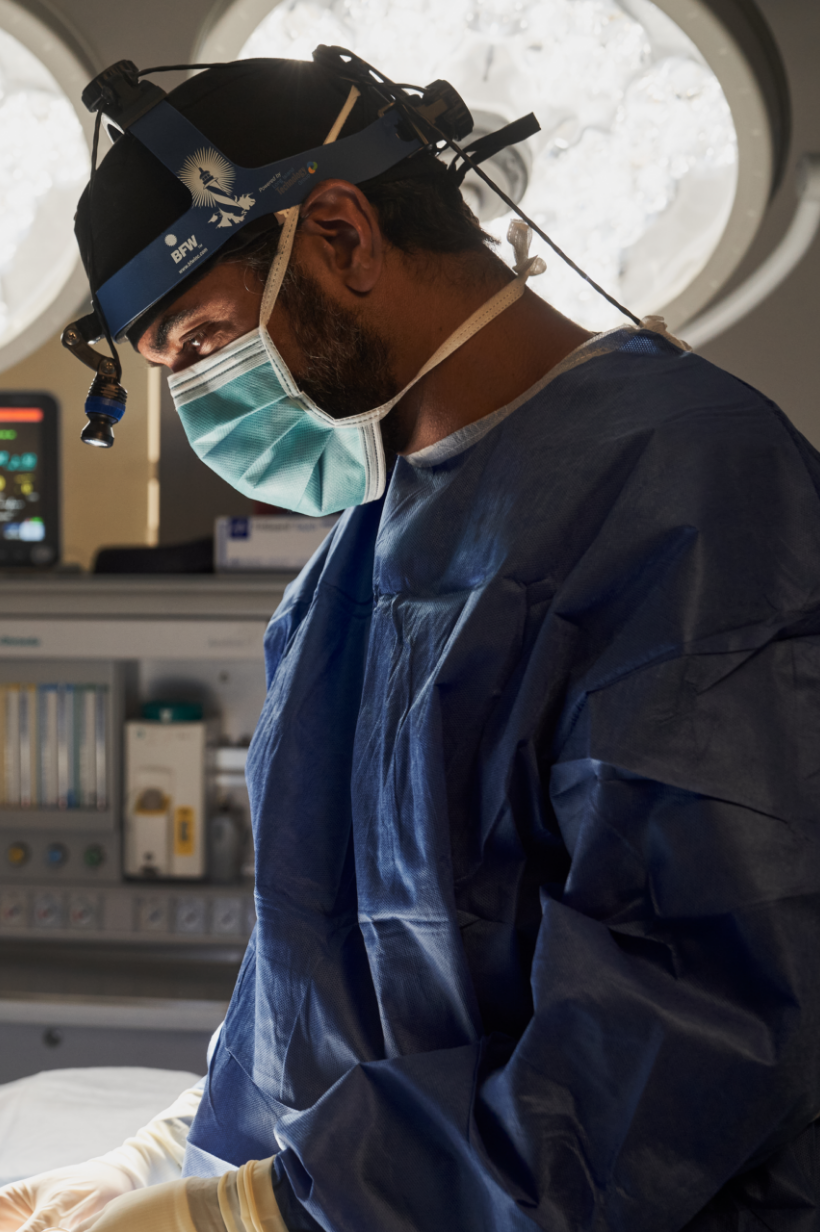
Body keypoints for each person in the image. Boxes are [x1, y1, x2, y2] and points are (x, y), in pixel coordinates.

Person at [3, 49, 820, 1232]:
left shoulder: (696, 491)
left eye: (205, 339)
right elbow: (319, 973)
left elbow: (681, 1031)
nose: (200, 401)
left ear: (340, 233)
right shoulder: (358, 552)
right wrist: (187, 1147)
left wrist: (258, 1212)